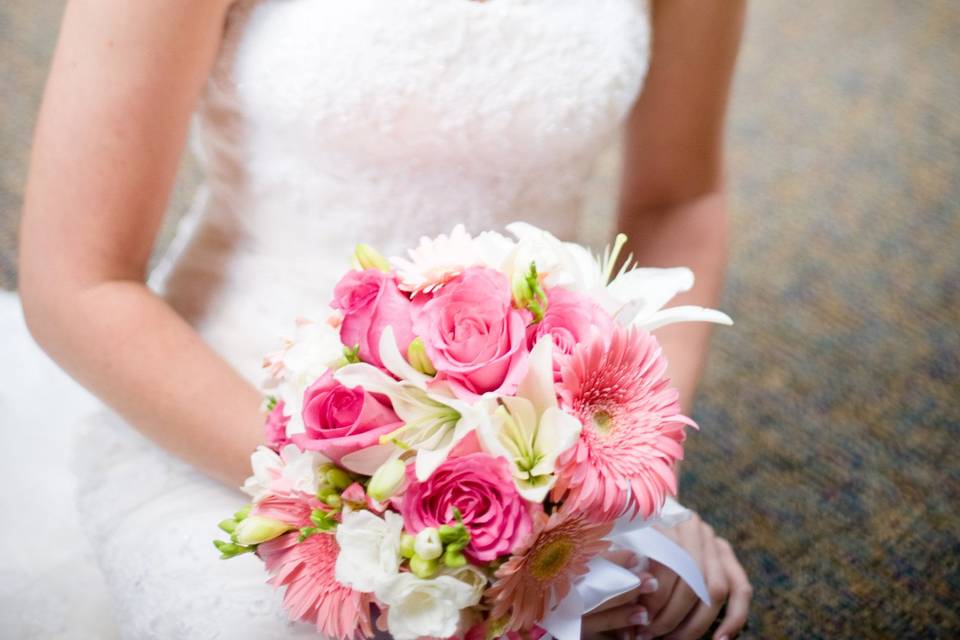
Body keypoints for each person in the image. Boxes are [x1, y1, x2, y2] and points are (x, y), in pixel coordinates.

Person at [9, 0, 752, 638]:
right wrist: (382, 517)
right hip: (228, 413)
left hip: (539, 421)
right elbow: (78, 281)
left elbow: (677, 203)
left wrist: (629, 474)